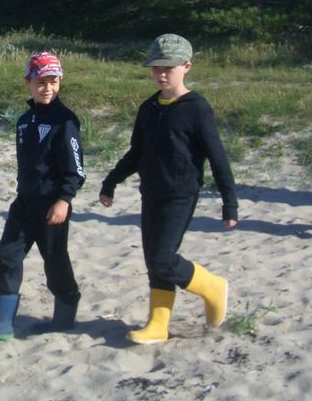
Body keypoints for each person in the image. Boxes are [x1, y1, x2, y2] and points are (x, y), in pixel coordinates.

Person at [98, 34, 238, 344]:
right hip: (151, 193)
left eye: (168, 68)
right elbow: (136, 152)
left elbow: (217, 156)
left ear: (186, 66)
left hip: (181, 195)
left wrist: (230, 203)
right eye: (156, 68)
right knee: (154, 262)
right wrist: (111, 182)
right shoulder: (149, 107)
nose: (161, 74)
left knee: (163, 258)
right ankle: (157, 325)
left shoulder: (196, 107)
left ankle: (213, 286)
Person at [0, 52, 86, 341]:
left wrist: (64, 199)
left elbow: (76, 169)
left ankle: (65, 313)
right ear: (28, 82)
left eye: (53, 81)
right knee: (7, 254)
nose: (47, 88)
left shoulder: (66, 122)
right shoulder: (24, 120)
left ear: (59, 82)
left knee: (55, 260)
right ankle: (2, 323)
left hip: (53, 206)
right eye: (41, 82)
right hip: (24, 202)